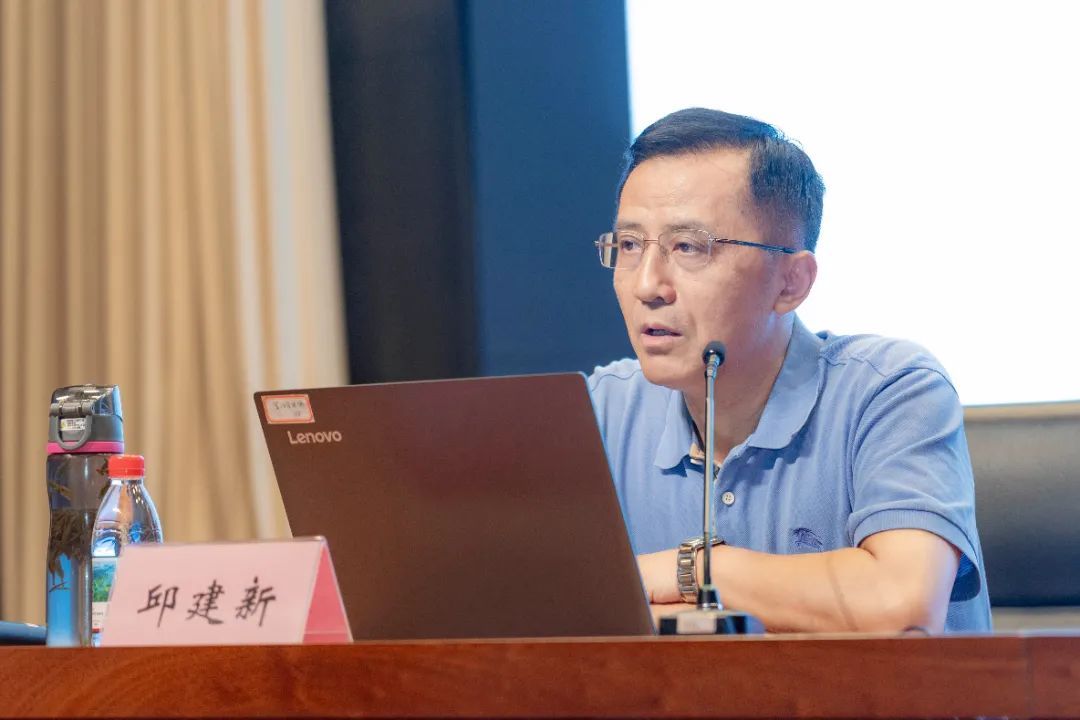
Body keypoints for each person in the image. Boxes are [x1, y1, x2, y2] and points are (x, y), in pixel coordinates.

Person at [588, 107, 991, 633]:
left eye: (688, 247)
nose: (647, 285)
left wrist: (699, 570)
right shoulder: (600, 411)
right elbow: (536, 603)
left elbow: (902, 603)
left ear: (791, 282)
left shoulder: (891, 389)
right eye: (629, 246)